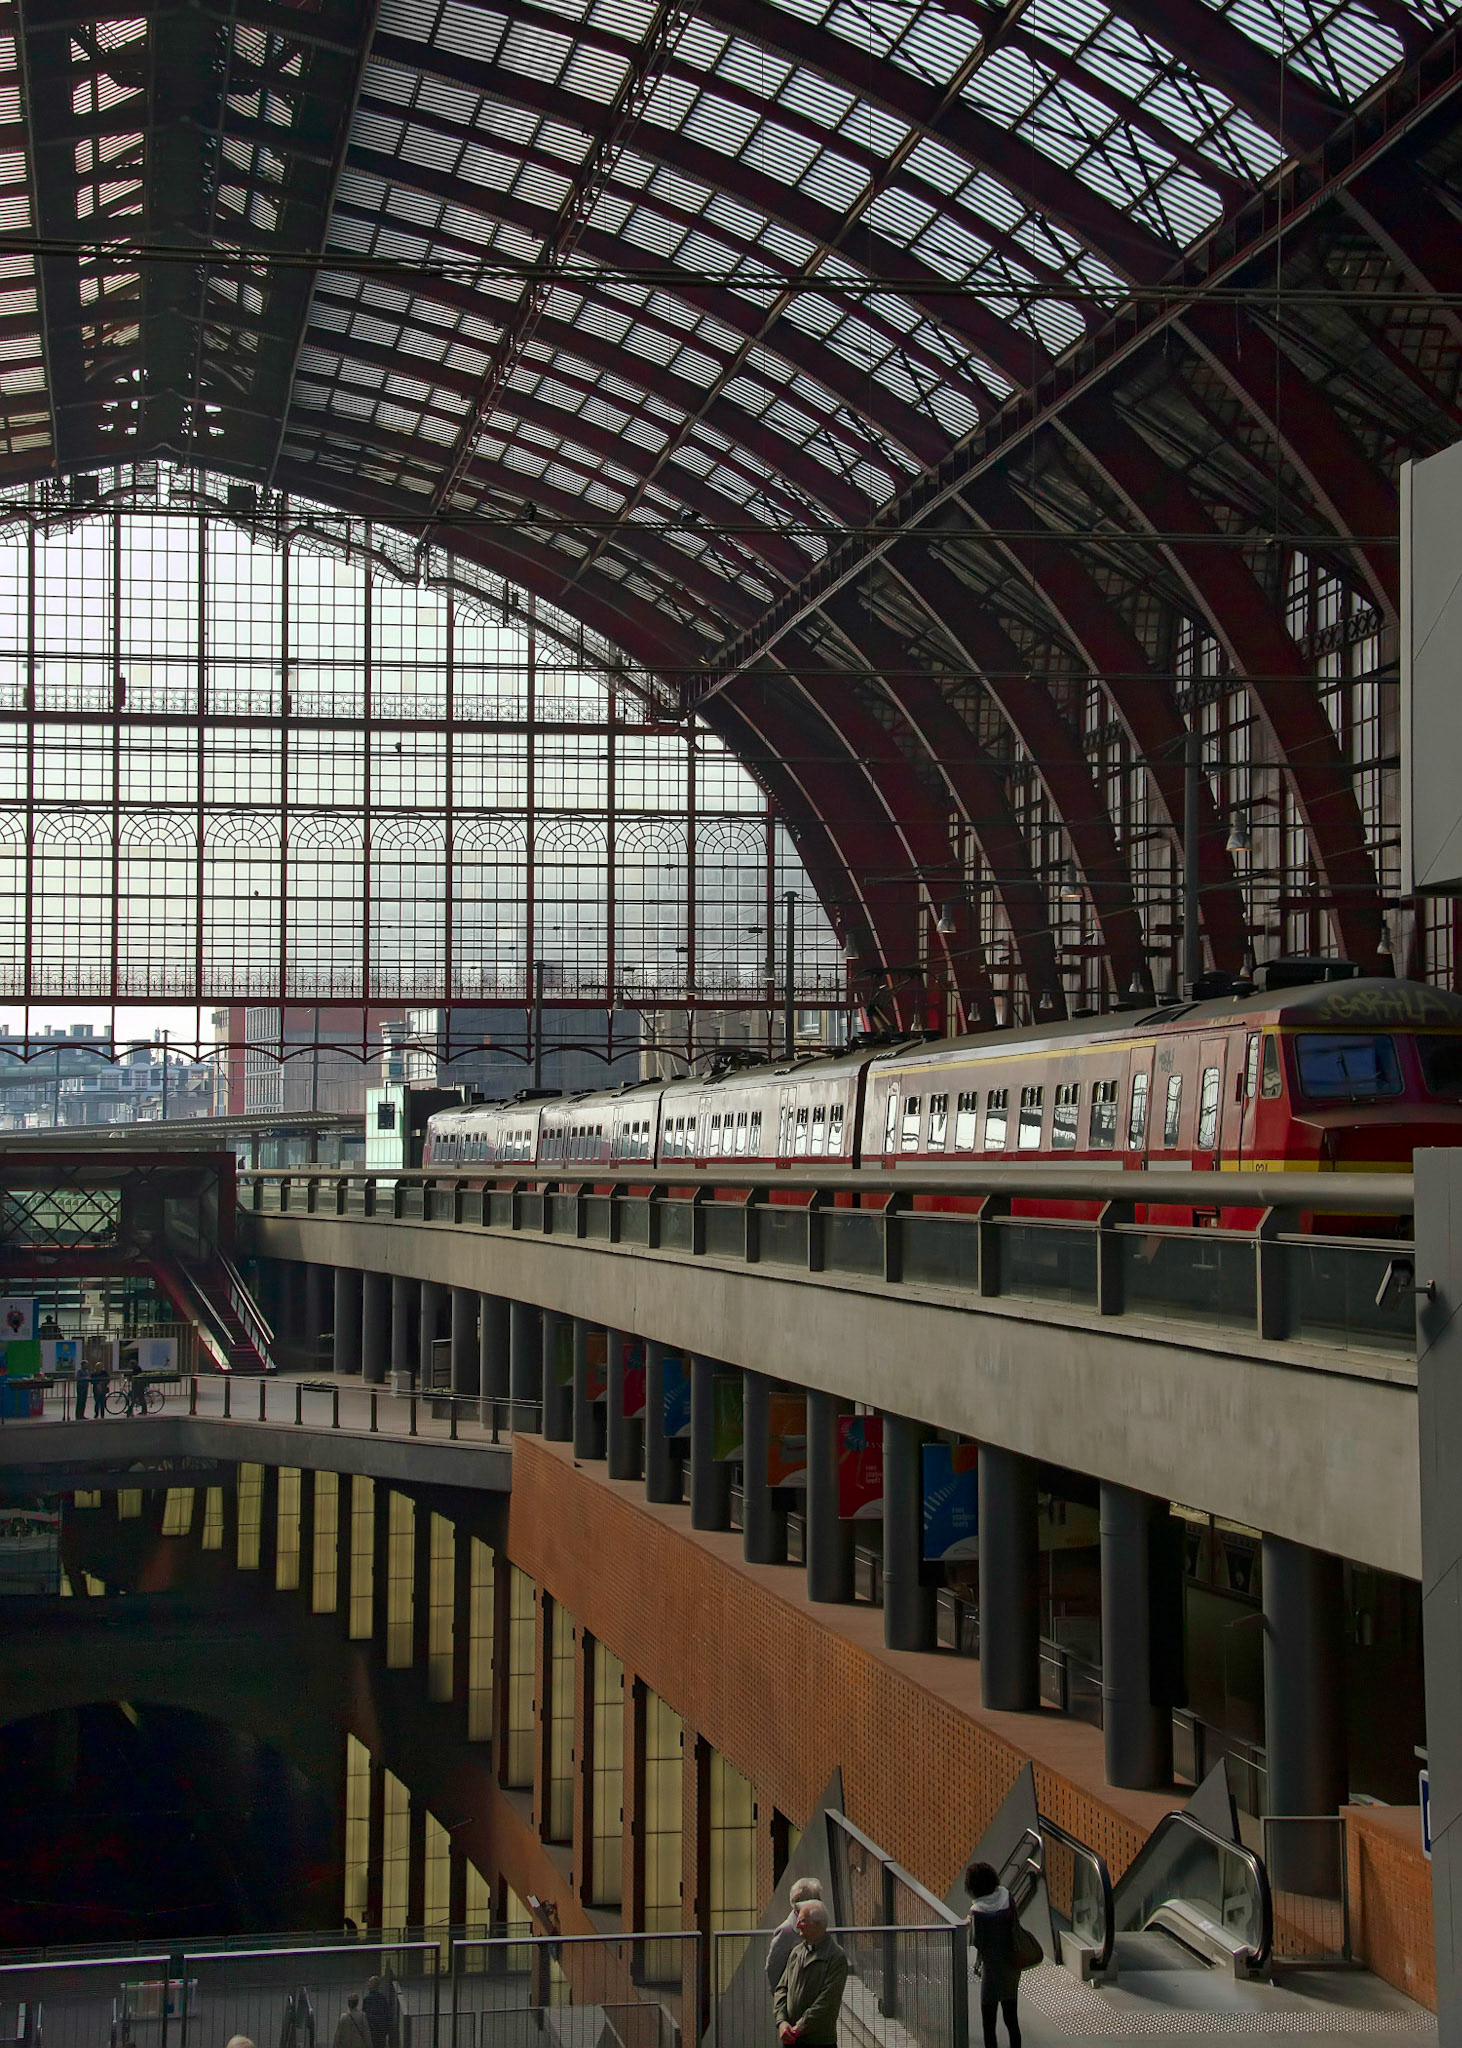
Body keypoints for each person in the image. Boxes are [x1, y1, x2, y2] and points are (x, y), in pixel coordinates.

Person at [772, 1899, 847, 2047]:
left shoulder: (835, 1957)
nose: (797, 1925)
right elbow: (781, 1989)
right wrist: (782, 2022)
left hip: (819, 2041)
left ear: (817, 1924)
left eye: (802, 1921)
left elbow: (827, 2003)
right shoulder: (796, 1952)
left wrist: (799, 2028)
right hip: (792, 2040)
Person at [966, 1860, 1022, 2048]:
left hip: (991, 1968)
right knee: (1011, 2018)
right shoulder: (1007, 1896)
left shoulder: (978, 1911)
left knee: (989, 2024)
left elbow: (977, 1942)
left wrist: (971, 1923)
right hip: (1012, 1963)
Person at [766, 1877, 823, 1993]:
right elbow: (774, 1969)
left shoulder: (817, 1926)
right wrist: (783, 1999)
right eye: (816, 1901)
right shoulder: (786, 1931)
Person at [361, 1979, 391, 2048]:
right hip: (381, 2030)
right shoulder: (383, 1998)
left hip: (371, 2030)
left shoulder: (367, 1999)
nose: (367, 1984)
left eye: (369, 1983)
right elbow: (388, 2014)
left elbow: (364, 2015)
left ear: (372, 1986)